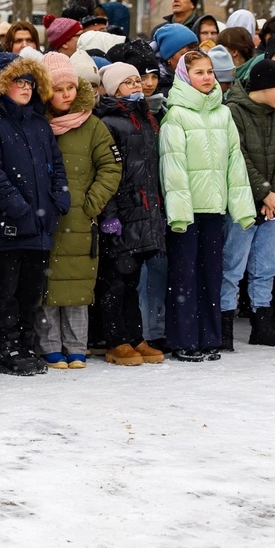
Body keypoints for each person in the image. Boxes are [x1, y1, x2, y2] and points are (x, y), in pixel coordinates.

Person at [0, 49, 70, 376]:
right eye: (18, 81)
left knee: (30, 293)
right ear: (2, 84)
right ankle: (7, 349)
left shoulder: (40, 125)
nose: (25, 88)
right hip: (6, 229)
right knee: (4, 294)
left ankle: (26, 345)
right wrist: (21, 210)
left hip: (39, 227)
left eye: (29, 82)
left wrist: (57, 202)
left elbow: (56, 167)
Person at [159, 50, 256, 362]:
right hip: (186, 213)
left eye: (210, 72)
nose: (207, 78)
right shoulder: (175, 114)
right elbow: (172, 169)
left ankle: (209, 337)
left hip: (214, 208)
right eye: (199, 72)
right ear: (186, 77)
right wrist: (179, 213)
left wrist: (241, 207)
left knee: (211, 273)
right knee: (185, 277)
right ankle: (183, 339)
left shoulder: (222, 113)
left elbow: (234, 163)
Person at [36, 54, 121, 368]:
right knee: (48, 287)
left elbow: (111, 166)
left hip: (80, 219)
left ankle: (76, 346)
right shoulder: (37, 124)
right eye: (59, 89)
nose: (67, 94)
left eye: (71, 87)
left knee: (77, 286)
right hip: (46, 219)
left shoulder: (92, 125)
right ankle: (49, 346)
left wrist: (92, 201)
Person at [93, 61, 166, 367]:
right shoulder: (109, 121)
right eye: (129, 82)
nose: (137, 86)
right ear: (113, 89)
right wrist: (109, 213)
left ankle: (135, 336)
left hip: (143, 212)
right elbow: (108, 172)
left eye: (138, 80)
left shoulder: (145, 118)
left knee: (132, 278)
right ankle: (115, 339)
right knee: (114, 280)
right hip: (120, 214)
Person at [222, 59, 275, 348]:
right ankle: (224, 327)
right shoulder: (232, 112)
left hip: (270, 206)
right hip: (242, 204)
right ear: (264, 87)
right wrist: (265, 193)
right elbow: (237, 156)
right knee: (232, 266)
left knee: (266, 266)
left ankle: (261, 325)